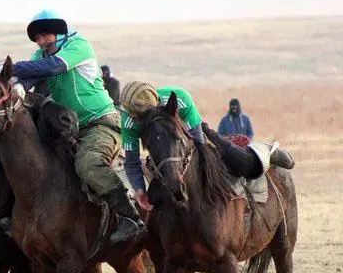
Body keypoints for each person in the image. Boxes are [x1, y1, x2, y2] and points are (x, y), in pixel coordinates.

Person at [11, 10, 144, 244]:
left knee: (88, 163)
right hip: (69, 128)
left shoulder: (79, 45)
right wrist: (18, 84)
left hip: (102, 123)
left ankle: (129, 215)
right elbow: (32, 75)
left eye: (45, 36)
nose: (41, 42)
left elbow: (53, 68)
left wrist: (12, 68)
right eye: (37, 39)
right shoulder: (41, 54)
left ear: (59, 33)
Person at [119, 81, 294, 211]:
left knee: (240, 163)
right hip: (162, 157)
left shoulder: (180, 98)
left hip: (192, 136)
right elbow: (132, 161)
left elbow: (199, 143)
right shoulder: (128, 121)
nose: (131, 117)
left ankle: (266, 154)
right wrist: (139, 190)